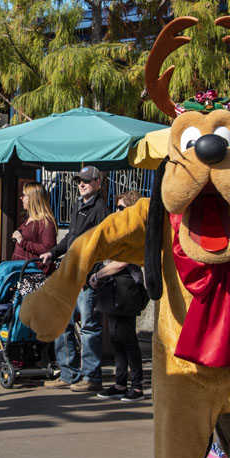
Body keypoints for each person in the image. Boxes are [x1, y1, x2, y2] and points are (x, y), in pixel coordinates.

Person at [40, 165, 110, 392]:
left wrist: (88, 274)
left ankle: (92, 376)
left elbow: (99, 247)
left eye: (86, 181)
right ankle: (69, 373)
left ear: (98, 184)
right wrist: (53, 251)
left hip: (85, 278)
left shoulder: (100, 209)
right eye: (79, 180)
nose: (81, 184)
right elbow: (72, 237)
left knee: (89, 327)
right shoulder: (79, 205)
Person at [91, 191, 148, 402]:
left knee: (128, 339)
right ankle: (120, 383)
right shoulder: (120, 229)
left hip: (126, 290)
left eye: (121, 208)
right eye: (116, 207)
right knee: (117, 339)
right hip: (114, 290)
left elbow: (122, 261)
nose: (117, 212)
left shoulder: (134, 231)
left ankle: (137, 386)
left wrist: (98, 274)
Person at [11, 182, 57, 263]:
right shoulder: (30, 219)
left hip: (32, 271)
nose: (20, 198)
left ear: (33, 198)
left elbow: (48, 249)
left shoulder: (45, 222)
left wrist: (22, 241)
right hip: (21, 268)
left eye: (23, 195)